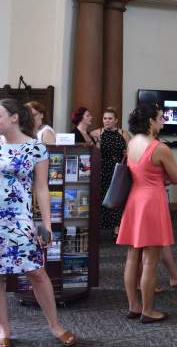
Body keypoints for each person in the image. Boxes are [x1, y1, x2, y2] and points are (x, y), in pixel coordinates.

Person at [0, 99, 77, 346]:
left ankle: (55, 326)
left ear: (14, 118)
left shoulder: (36, 148)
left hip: (20, 219)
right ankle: (4, 331)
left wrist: (47, 224)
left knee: (36, 272)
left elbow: (42, 189)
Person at [116, 103, 177, 323]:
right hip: (152, 202)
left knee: (132, 257)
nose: (163, 121)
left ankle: (133, 306)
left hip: (134, 200)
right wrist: (163, 176)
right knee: (150, 260)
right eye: (161, 117)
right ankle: (148, 310)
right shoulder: (159, 147)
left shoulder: (132, 141)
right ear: (150, 121)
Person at [90, 107, 130, 238]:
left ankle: (117, 228)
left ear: (116, 120)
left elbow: (131, 151)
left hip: (118, 170)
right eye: (105, 118)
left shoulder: (124, 134)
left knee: (117, 198)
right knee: (100, 199)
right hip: (101, 170)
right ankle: (98, 227)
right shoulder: (96, 133)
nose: (107, 121)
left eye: (110, 119)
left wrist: (127, 153)